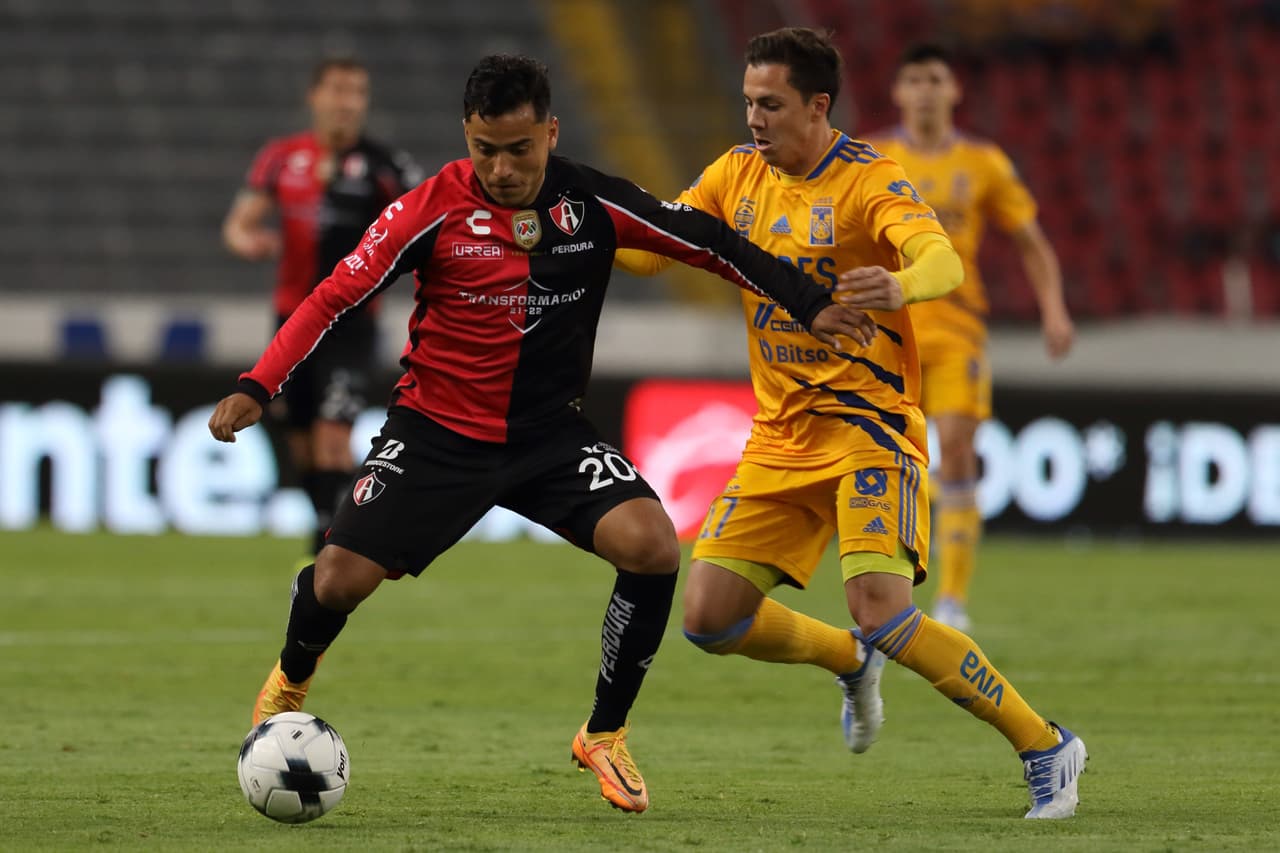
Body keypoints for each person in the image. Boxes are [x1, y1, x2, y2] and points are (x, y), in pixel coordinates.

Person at [208, 53, 877, 814]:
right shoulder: (430, 206)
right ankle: (291, 678)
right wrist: (258, 384)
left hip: (549, 438)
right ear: (467, 136)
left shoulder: (592, 201)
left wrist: (809, 300)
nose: (500, 168)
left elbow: (711, 242)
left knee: (654, 545)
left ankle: (605, 732)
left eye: (519, 149)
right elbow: (334, 294)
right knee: (334, 580)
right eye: (484, 149)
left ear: (550, 133)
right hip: (435, 433)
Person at [615, 27, 1086, 819]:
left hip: (870, 427)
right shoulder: (735, 174)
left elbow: (946, 261)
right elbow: (657, 252)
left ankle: (1046, 744)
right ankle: (847, 660)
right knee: (707, 618)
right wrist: (585, 234)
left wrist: (901, 286)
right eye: (747, 104)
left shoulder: (870, 180)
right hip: (780, 436)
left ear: (817, 106)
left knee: (885, 610)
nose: (754, 120)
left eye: (770, 105)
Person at [864, 43, 1075, 632]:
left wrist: (1053, 311)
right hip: (888, 330)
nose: (925, 90)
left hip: (958, 330)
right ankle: (887, 585)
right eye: (914, 79)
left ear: (954, 91)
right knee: (881, 457)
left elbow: (1031, 243)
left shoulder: (984, 163)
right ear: (898, 92)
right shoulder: (873, 157)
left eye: (935, 79)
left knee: (955, 449)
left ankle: (952, 601)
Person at [222, 56, 425, 556]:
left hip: (352, 323)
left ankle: (337, 543)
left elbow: (429, 223)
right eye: (337, 90)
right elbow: (238, 222)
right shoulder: (281, 157)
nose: (346, 102)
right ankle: (322, 527)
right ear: (314, 97)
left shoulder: (385, 165)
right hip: (291, 320)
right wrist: (245, 240)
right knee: (300, 439)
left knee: (334, 434)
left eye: (356, 92)